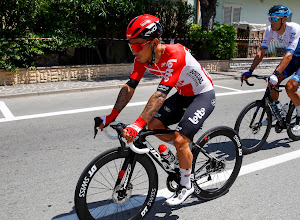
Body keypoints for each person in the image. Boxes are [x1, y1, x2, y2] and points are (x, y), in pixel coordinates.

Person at [95, 14, 215, 205]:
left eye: (137, 45)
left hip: (203, 95)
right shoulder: (142, 59)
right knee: (154, 124)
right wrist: (111, 116)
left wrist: (136, 125)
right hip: (183, 94)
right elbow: (129, 87)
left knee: (179, 138)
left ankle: (186, 184)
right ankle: (181, 152)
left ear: (154, 42)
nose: (133, 51)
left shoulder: (175, 55)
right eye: (130, 45)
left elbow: (160, 95)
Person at [241, 4, 300, 131]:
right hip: (292, 60)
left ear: (284, 19)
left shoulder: (294, 28)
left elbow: (288, 55)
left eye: (274, 19)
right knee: (272, 83)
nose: (271, 22)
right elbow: (261, 52)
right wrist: (250, 70)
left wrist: (275, 72)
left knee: (290, 87)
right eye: (270, 18)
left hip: (295, 59)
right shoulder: (270, 30)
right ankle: (275, 112)